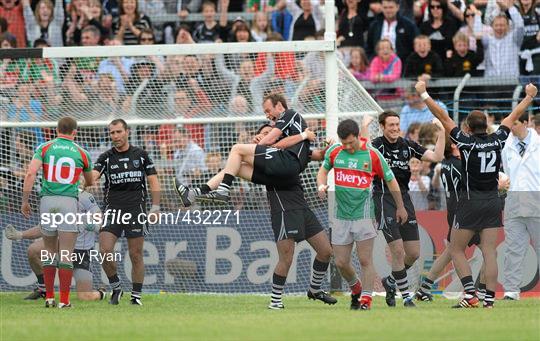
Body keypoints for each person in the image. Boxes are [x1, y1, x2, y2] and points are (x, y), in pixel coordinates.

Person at [415, 80, 537, 308]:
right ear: (488, 126)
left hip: (470, 201)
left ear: (468, 129)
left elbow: (443, 116)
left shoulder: (465, 142)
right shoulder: (498, 139)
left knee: (455, 248)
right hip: (493, 201)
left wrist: (423, 94)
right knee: (489, 251)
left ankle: (470, 294)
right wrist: (529, 97)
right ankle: (489, 299)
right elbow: (513, 116)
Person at [317, 119, 407, 310]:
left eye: (351, 142)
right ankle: (356, 287)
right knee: (341, 262)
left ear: (358, 136)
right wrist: (321, 185)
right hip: (340, 216)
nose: (348, 147)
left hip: (364, 215)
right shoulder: (335, 151)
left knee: (365, 259)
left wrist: (400, 206)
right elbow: (323, 171)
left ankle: (366, 299)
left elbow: (391, 181)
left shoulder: (372, 155)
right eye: (344, 143)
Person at [174, 93, 312, 206]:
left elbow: (270, 141)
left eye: (268, 111)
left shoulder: (289, 114)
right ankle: (195, 193)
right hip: (281, 172)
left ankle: (222, 192)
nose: (267, 115)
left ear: (280, 106)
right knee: (235, 167)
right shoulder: (291, 134)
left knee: (237, 149)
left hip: (287, 165)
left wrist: (258, 145)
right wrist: (257, 142)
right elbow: (277, 143)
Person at [368, 111, 445, 308]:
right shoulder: (377, 145)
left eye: (397, 125)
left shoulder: (407, 145)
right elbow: (364, 152)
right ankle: (407, 298)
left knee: (413, 253)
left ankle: (390, 281)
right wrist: (364, 127)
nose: (395, 128)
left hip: (404, 198)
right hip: (384, 198)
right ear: (382, 127)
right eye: (391, 125)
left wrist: (442, 132)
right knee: (398, 251)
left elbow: (437, 155)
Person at [21, 117, 94, 308]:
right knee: (66, 254)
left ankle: (49, 297)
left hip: (47, 201)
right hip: (68, 202)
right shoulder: (82, 152)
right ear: (75, 132)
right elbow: (90, 181)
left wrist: (25, 200)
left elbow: (30, 173)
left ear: (56, 130)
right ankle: (64, 301)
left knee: (49, 251)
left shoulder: (44, 147)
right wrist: (84, 182)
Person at [93, 119, 161, 305]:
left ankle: (136, 296)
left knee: (136, 254)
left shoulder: (141, 155)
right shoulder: (105, 157)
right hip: (112, 210)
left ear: (127, 132)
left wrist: (155, 207)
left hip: (135, 210)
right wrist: (84, 176)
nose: (115, 136)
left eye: (118, 132)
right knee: (105, 250)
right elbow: (92, 177)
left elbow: (154, 181)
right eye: (112, 133)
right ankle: (116, 287)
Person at [5, 188, 106, 301]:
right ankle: (43, 289)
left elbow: (100, 220)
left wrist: (91, 224)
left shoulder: (84, 196)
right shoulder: (55, 197)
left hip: (81, 253)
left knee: (85, 297)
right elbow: (43, 227)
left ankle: (102, 293)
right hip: (61, 246)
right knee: (34, 250)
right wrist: (20, 235)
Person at [414, 138, 483, 301]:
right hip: (465, 211)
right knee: (487, 250)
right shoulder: (459, 165)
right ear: (453, 145)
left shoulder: (444, 164)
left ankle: (424, 288)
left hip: (454, 210)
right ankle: (480, 292)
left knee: (451, 251)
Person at [501, 112, 540, 300]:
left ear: (526, 123)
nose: (511, 127)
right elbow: (501, 171)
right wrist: (500, 180)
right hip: (514, 204)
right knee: (513, 249)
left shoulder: (538, 144)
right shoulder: (505, 146)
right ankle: (511, 291)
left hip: (537, 203)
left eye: (515, 123)